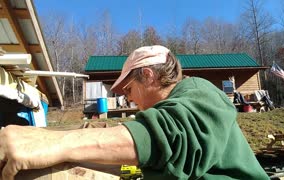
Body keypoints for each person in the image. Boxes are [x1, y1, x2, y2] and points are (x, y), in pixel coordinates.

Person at [0, 45, 269, 180]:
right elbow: (145, 151)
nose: (126, 97)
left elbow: (166, 135)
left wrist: (52, 143)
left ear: (149, 76)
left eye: (127, 88)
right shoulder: (168, 109)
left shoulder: (197, 90)